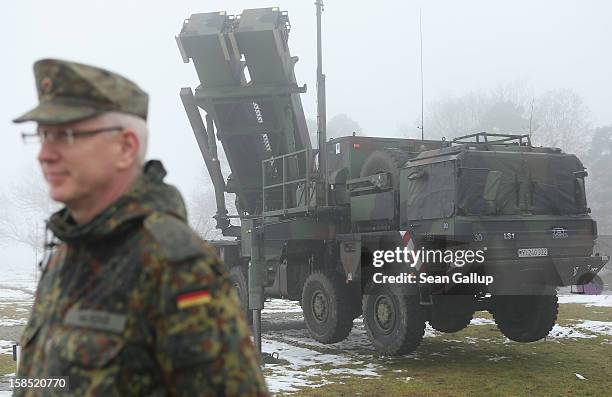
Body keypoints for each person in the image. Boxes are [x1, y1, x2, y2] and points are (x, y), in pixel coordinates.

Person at [12, 58, 268, 396]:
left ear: (125, 147)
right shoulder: (65, 254)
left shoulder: (171, 263)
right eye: (43, 136)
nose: (44, 154)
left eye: (66, 135)